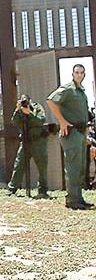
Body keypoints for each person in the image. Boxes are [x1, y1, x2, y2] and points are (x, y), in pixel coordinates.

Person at [47, 64, 92, 210]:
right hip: (71, 133)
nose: (79, 75)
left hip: (80, 133)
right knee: (73, 168)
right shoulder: (68, 89)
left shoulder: (81, 91)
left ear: (84, 75)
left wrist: (85, 135)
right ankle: (72, 200)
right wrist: (62, 121)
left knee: (79, 168)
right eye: (77, 72)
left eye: (81, 73)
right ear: (73, 74)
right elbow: (51, 101)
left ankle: (79, 198)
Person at [6, 96, 49, 198]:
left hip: (38, 142)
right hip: (25, 142)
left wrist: (29, 113)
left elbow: (40, 120)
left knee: (42, 167)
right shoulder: (20, 111)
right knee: (19, 165)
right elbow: (14, 122)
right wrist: (17, 110)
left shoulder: (37, 108)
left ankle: (42, 190)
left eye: (26, 101)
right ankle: (12, 189)